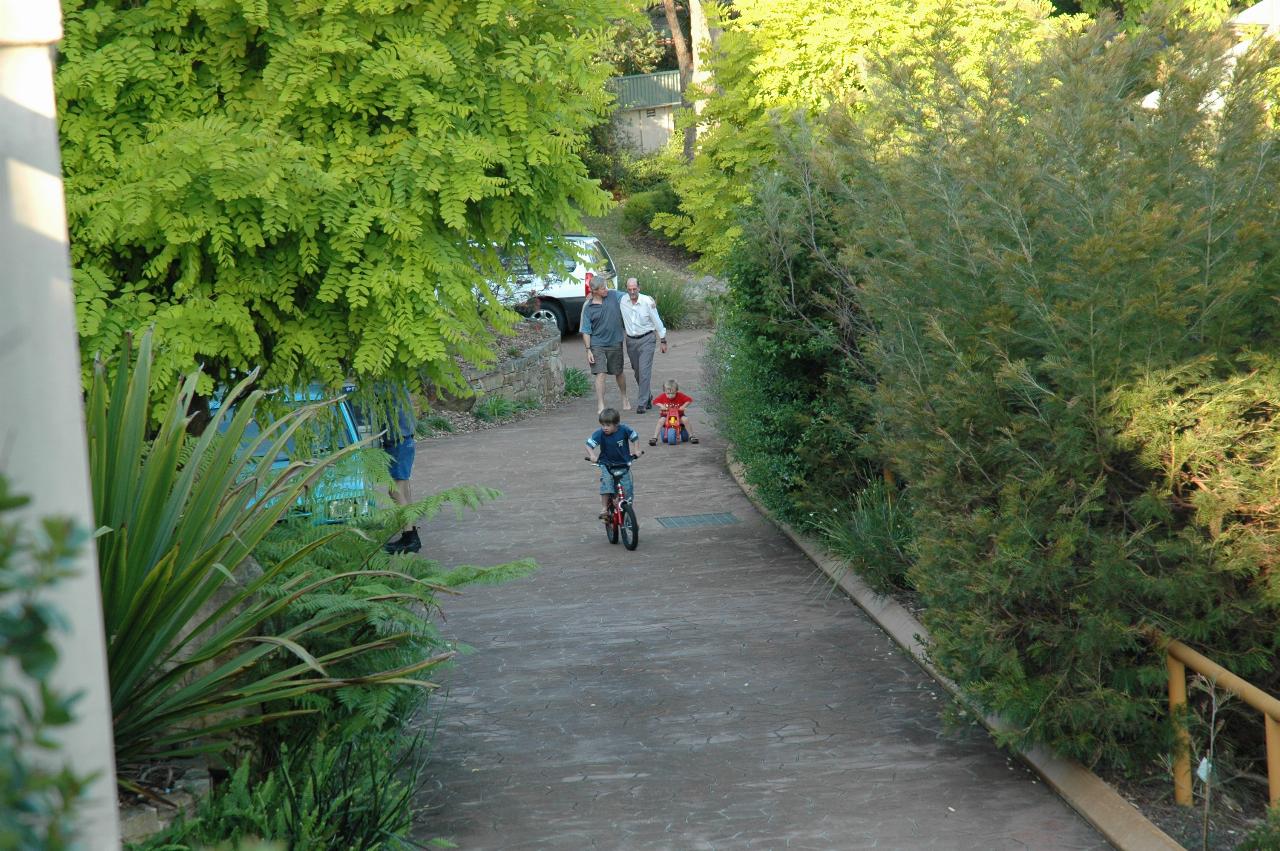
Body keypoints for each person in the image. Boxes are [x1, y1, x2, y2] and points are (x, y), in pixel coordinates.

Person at [579, 273, 628, 413]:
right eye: (602, 288)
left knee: (618, 371)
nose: (606, 290)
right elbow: (586, 331)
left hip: (615, 341)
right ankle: (601, 404)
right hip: (597, 344)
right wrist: (588, 350)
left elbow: (630, 296)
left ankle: (624, 397)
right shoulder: (588, 307)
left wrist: (647, 299)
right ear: (594, 291)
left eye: (606, 287)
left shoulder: (613, 295)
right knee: (600, 373)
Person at [380, 386, 421, 554]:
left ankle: (409, 535)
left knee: (394, 490)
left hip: (398, 440)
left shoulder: (387, 385)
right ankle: (411, 535)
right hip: (405, 438)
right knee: (403, 488)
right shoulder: (397, 381)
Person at [619, 276, 667, 414]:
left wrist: (663, 340)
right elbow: (608, 293)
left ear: (639, 288)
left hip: (647, 339)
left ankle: (642, 403)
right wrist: (591, 295)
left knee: (644, 371)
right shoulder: (622, 300)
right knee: (637, 371)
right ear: (626, 290)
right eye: (629, 289)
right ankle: (648, 395)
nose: (632, 292)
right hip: (630, 340)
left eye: (634, 289)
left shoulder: (647, 302)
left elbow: (657, 321)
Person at [585, 407, 639, 518]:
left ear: (616, 424)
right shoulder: (600, 434)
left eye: (608, 425)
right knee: (607, 484)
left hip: (624, 464)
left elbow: (634, 436)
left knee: (628, 489)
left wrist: (637, 450)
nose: (605, 428)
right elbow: (588, 444)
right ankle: (604, 509)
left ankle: (629, 516)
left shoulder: (624, 430)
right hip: (606, 464)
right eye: (603, 425)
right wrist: (592, 455)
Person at [648, 379, 699, 445]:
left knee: (685, 419)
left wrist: (683, 406)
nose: (670, 395)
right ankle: (654, 438)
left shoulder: (680, 395)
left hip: (679, 415)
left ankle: (691, 436)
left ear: (676, 391)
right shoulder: (662, 396)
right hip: (665, 415)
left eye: (673, 393)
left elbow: (689, 400)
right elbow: (655, 401)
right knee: (661, 421)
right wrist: (661, 405)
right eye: (668, 393)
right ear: (664, 392)